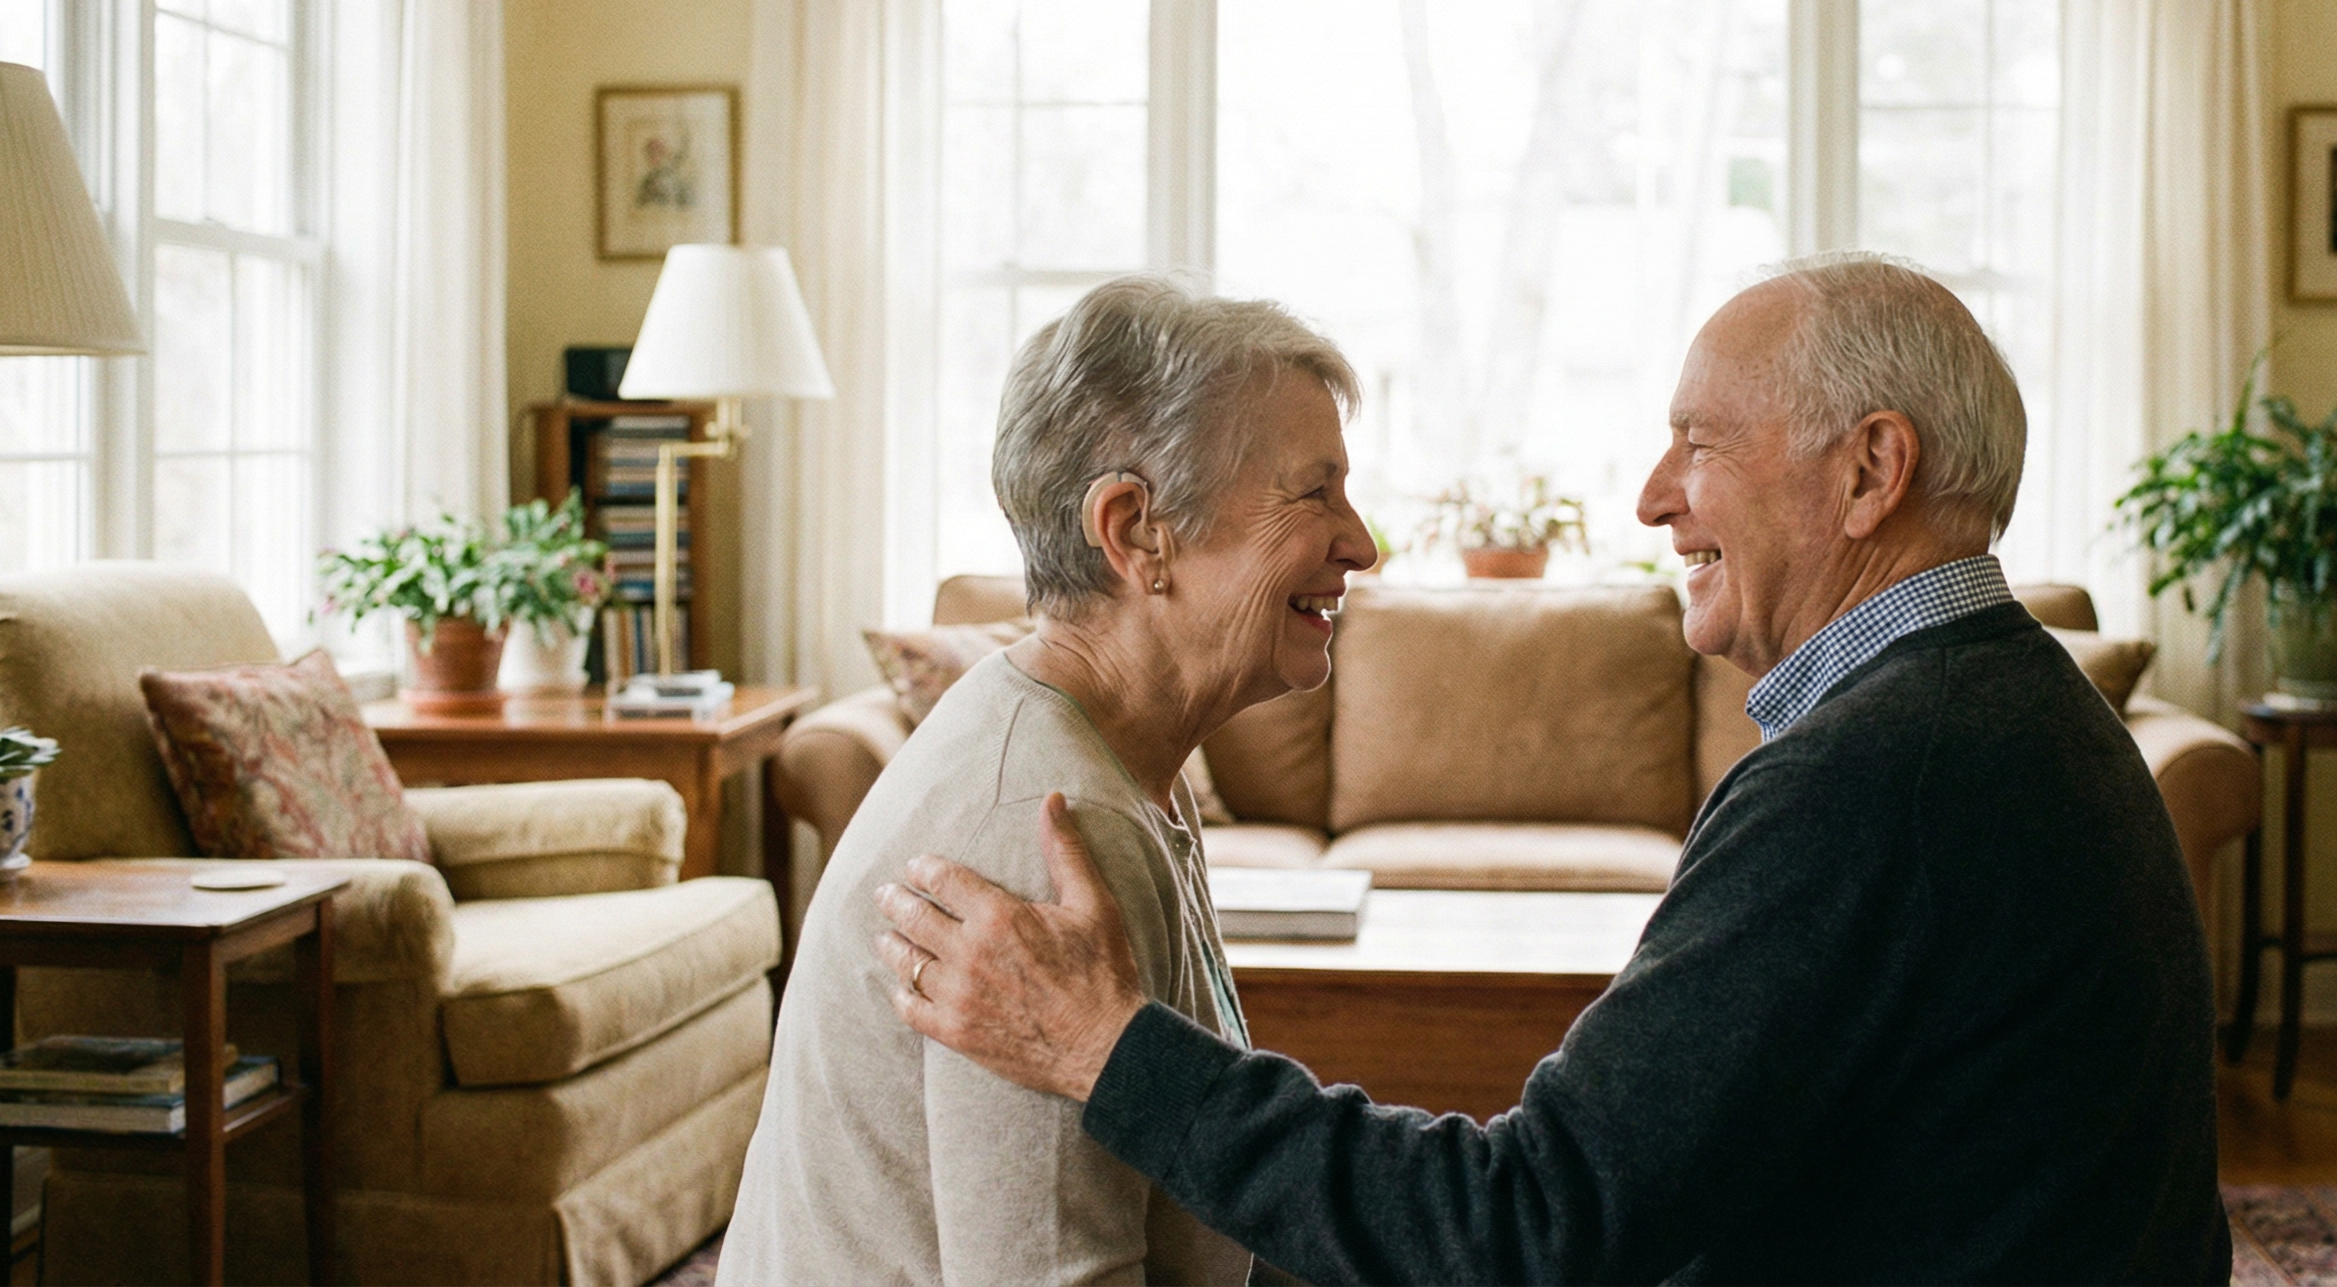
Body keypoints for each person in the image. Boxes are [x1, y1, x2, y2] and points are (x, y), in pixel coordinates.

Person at [873, 255, 2233, 1284]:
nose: (1649, 496)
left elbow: (1532, 1230)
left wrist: (1110, 1052)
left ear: (1872, 469)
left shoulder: (1883, 776)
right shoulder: (2012, 707)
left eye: (1699, 442)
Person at [720, 275, 1377, 1284]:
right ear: (1133, 530)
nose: (1360, 544)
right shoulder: (1043, 831)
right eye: (1313, 491)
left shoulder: (1104, 756)